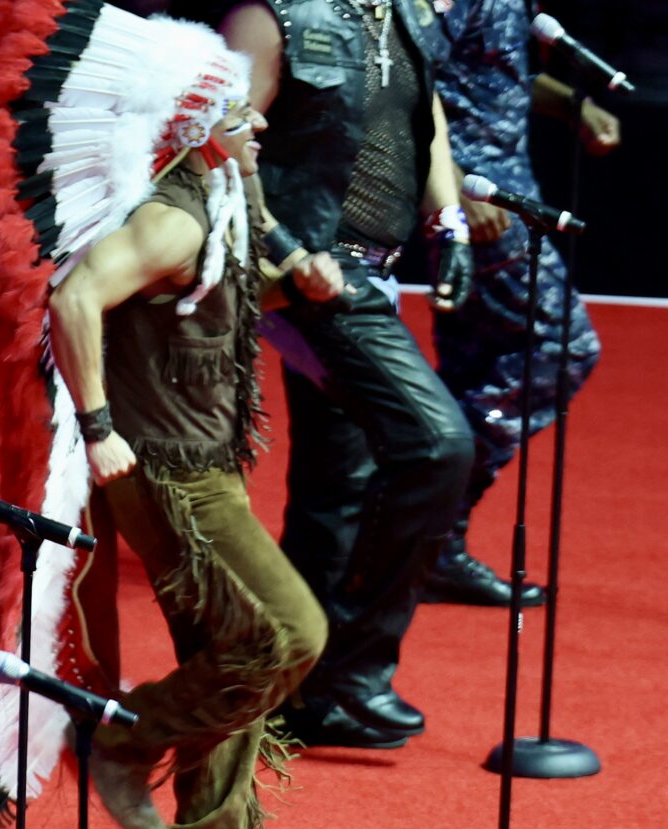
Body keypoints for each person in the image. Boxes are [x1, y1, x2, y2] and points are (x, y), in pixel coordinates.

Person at [0, 1, 332, 829]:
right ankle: (131, 739)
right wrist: (97, 428)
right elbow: (77, 300)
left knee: (230, 647)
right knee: (288, 636)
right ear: (204, 134)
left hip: (201, 460)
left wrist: (298, 278)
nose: (261, 126)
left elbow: (217, 296)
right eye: (243, 117)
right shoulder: (173, 219)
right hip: (163, 472)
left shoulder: (226, 199)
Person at [195, 0, 481, 750]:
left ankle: (302, 692)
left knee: (338, 489)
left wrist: (447, 223)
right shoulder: (272, 16)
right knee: (436, 443)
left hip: (374, 275)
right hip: (306, 277)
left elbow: (429, 120)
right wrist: (285, 250)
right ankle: (355, 669)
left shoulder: (406, 15)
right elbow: (217, 143)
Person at [422, 0, 620, 608]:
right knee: (562, 348)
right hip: (479, 203)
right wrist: (452, 185)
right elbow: (407, 79)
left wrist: (573, 104)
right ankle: (418, 511)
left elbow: (494, 76)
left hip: (504, 192)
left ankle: (423, 541)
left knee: (474, 364)